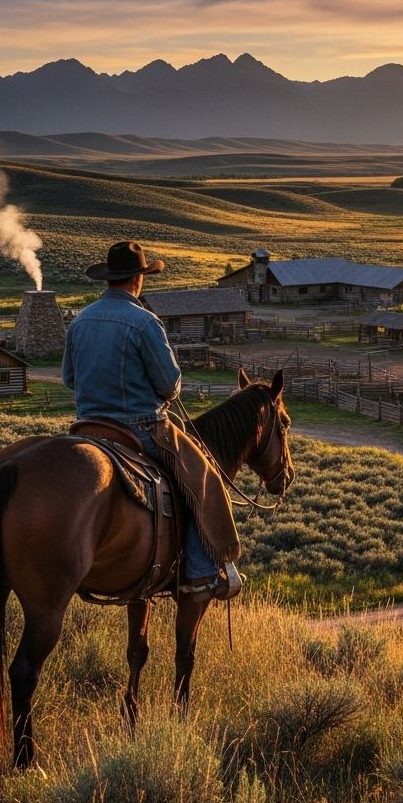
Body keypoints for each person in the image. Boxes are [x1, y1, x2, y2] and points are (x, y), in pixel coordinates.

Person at [62, 240, 238, 598]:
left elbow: (69, 379)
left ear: (110, 279)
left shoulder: (80, 321)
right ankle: (202, 573)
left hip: (87, 427)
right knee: (201, 478)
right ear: (138, 280)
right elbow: (170, 383)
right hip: (140, 428)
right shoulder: (144, 323)